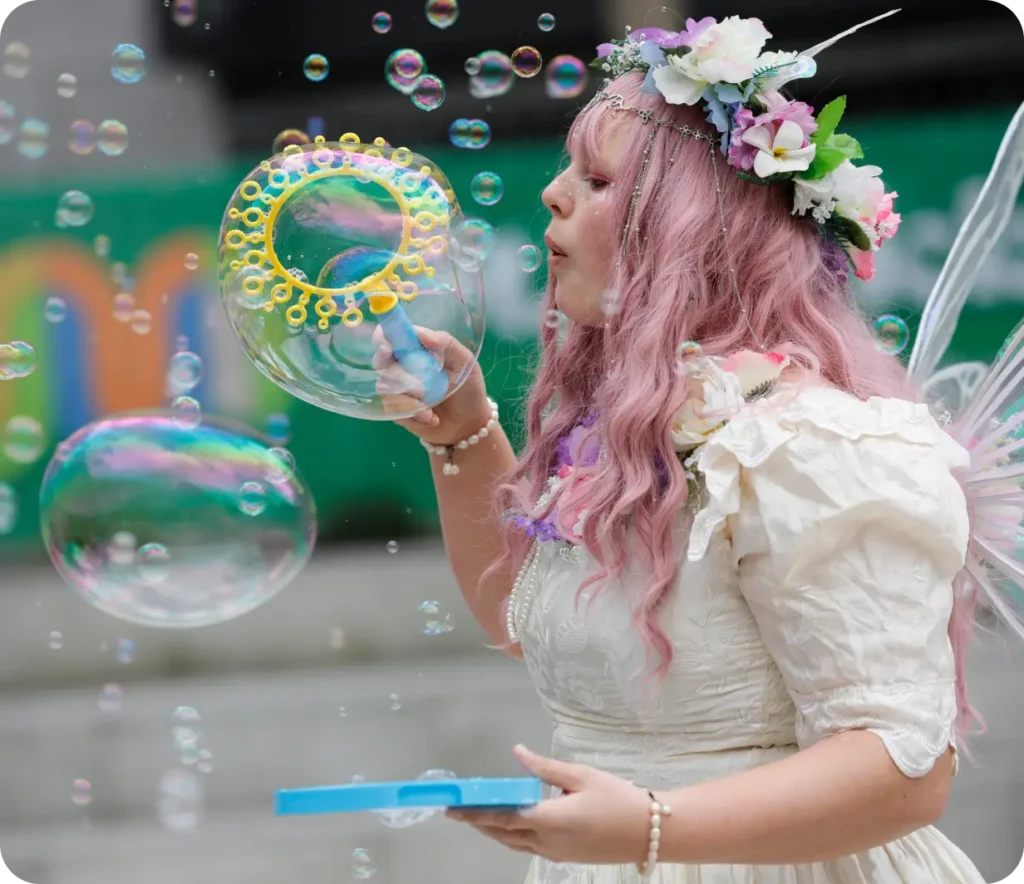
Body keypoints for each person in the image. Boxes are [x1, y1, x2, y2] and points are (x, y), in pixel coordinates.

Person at [375, 12, 1024, 884]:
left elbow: (905, 768)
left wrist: (649, 825)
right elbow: (519, 614)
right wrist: (461, 435)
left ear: (689, 236)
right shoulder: (637, 437)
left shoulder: (813, 448)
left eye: (598, 178)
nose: (553, 194)